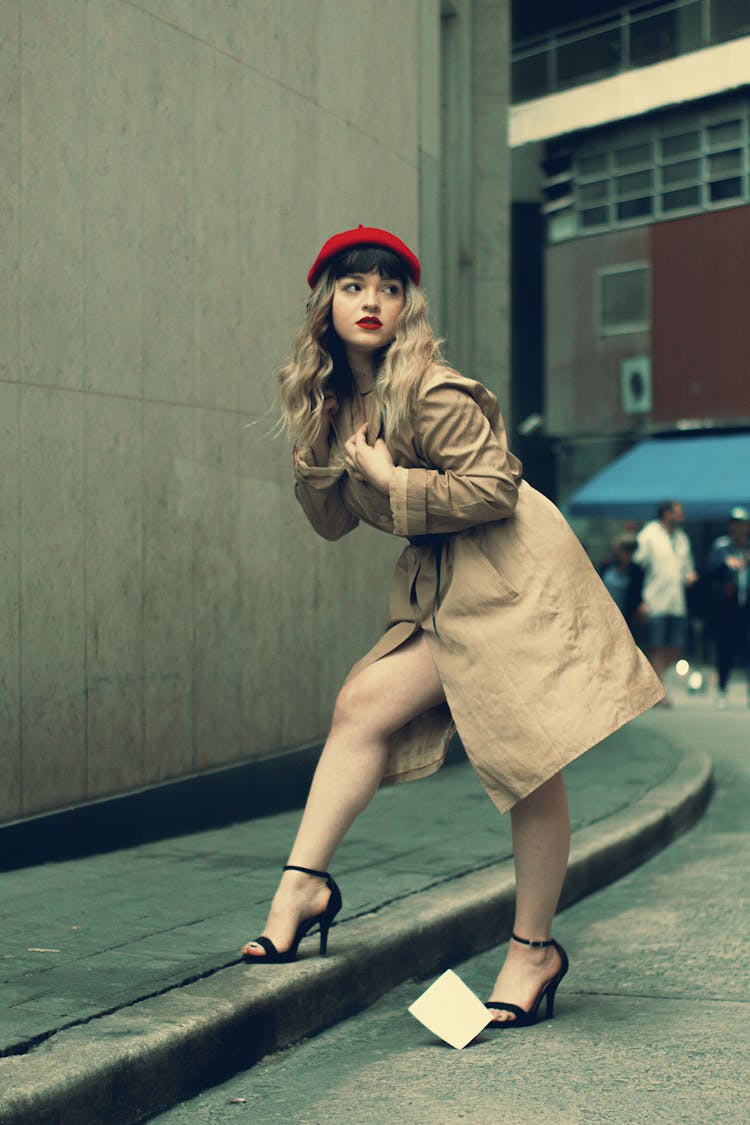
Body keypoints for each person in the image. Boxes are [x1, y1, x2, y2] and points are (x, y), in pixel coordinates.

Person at [241, 225, 663, 1029]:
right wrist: (317, 444)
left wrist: (394, 479)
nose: (372, 301)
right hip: (448, 585)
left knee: (526, 757)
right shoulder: (340, 402)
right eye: (355, 284)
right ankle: (303, 884)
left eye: (390, 287)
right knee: (363, 706)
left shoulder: (429, 389)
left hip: (508, 575)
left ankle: (531, 949)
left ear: (409, 305)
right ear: (325, 301)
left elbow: (496, 486)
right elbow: (331, 522)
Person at [634, 501, 697, 704]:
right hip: (655, 599)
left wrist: (690, 575)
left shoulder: (681, 538)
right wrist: (639, 601)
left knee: (675, 647)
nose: (682, 517)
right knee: (657, 646)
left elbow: (688, 566)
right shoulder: (648, 535)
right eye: (678, 513)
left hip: (677, 601)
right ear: (666, 513)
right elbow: (638, 568)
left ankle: (653, 685)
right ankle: (659, 691)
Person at [703, 507, 750, 708]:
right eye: (735, 523)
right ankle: (722, 689)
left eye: (742, 523)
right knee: (725, 648)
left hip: (746, 605)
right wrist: (726, 564)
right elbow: (708, 570)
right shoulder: (722, 546)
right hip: (727, 606)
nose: (739, 527)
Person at [598, 533, 644, 638]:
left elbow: (637, 594)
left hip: (624, 616)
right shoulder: (606, 566)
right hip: (603, 614)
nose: (625, 555)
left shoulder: (636, 571)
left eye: (629, 552)